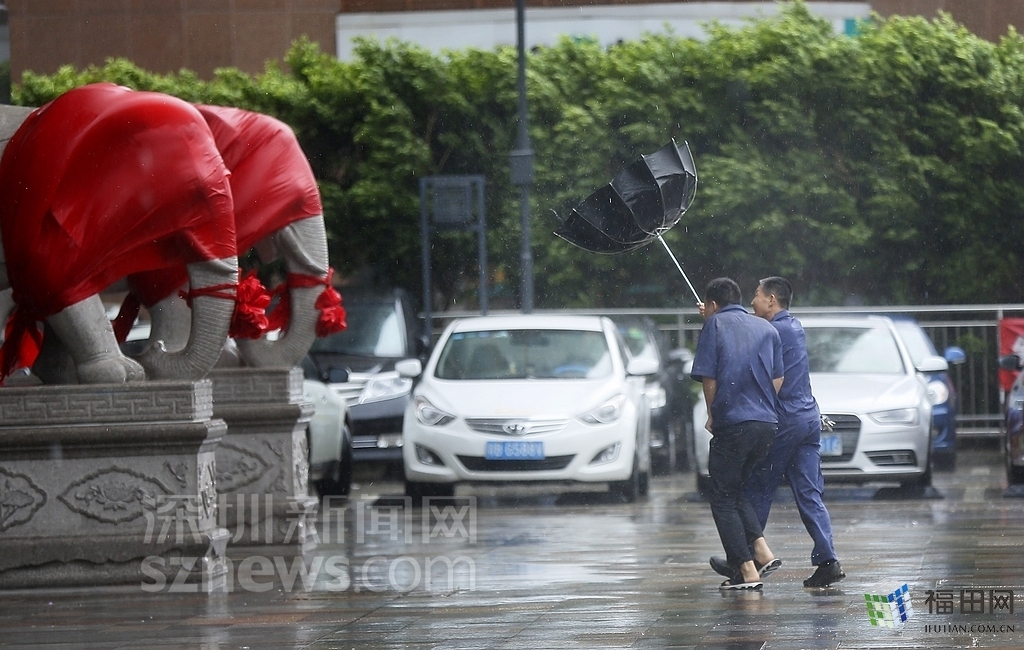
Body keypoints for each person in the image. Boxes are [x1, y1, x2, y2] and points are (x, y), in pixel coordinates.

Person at [743, 276, 845, 588]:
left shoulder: (772, 330)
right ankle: (828, 560)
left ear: (771, 300)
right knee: (809, 494)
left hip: (785, 421)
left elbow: (769, 378)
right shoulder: (792, 326)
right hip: (807, 419)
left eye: (757, 295)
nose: (752, 301)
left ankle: (747, 560)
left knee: (758, 488)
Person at [691, 277, 785, 590]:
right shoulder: (766, 328)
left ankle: (747, 571)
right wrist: (759, 405)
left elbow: (709, 377)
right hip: (766, 425)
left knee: (720, 496)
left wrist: (713, 413)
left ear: (713, 304)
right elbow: (778, 378)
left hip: (734, 424)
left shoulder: (713, 325)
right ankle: (762, 551)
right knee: (737, 490)